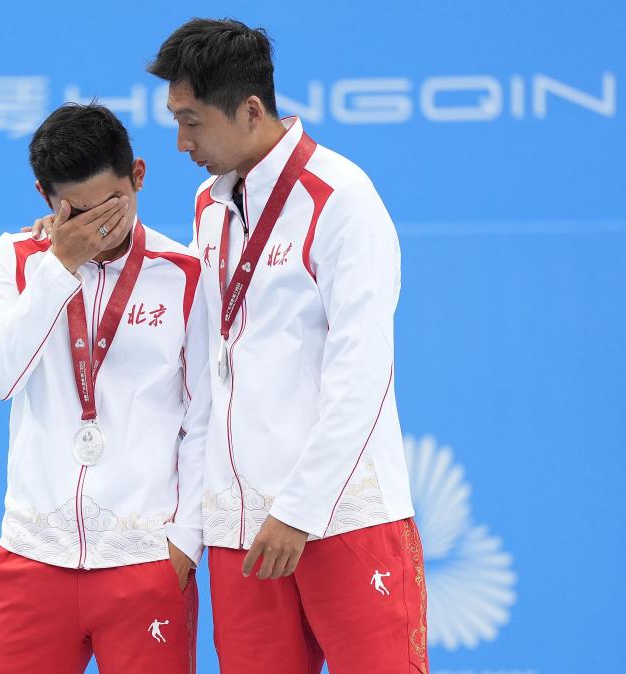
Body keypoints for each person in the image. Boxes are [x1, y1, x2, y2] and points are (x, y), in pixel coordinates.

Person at [147, 18, 430, 674]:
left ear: (250, 111)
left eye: (191, 122)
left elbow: (362, 373)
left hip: (341, 519)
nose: (181, 143)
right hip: (239, 530)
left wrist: (299, 509)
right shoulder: (207, 204)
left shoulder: (341, 200)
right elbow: (204, 350)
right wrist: (78, 240)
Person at [0, 102, 208, 674]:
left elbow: (204, 417)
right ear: (45, 197)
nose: (99, 225)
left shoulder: (186, 273)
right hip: (33, 559)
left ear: (138, 176)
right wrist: (60, 267)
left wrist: (184, 542)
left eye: (112, 204)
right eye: (79, 211)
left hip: (145, 562)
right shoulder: (14, 260)